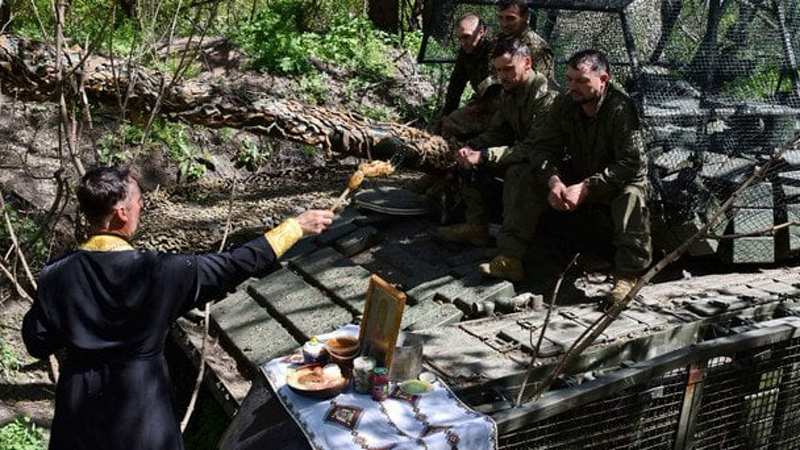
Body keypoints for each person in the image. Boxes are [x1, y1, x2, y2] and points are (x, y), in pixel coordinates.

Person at [21, 166, 334, 450]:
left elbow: (36, 342)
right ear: (121, 213)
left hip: (79, 409)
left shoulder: (56, 274)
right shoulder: (162, 272)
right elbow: (234, 264)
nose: (141, 208)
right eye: (139, 202)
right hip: (143, 409)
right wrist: (294, 227)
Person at [525, 49, 652, 304]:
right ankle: (535, 259)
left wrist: (586, 187)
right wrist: (555, 181)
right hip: (582, 173)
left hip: (618, 179)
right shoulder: (565, 103)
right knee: (527, 176)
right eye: (569, 79)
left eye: (581, 81)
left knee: (631, 196)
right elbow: (542, 149)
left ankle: (627, 276)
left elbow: (630, 163)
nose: (573, 87)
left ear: (603, 79)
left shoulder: (620, 107)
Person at [435, 39, 557, 282]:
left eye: (509, 69)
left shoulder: (546, 97)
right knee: (471, 159)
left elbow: (534, 148)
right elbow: (498, 132)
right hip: (523, 152)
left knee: (518, 173)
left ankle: (511, 258)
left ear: (527, 63)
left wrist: (485, 155)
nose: (503, 76)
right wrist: (473, 148)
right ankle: (477, 227)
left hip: (550, 165)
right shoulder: (509, 92)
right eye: (499, 70)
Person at [437, 13, 497, 140]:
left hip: (502, 107)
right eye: (460, 38)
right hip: (483, 104)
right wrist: (447, 113)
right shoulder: (465, 51)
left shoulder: (496, 49)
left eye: (466, 37)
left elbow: (495, 88)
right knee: (446, 125)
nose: (463, 42)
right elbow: (456, 85)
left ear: (481, 31)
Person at [494, 0, 554, 84]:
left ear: (525, 17)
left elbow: (541, 85)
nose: (504, 24)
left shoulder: (537, 47)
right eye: (500, 18)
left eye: (510, 18)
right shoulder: (498, 40)